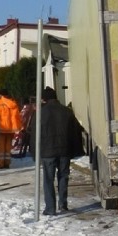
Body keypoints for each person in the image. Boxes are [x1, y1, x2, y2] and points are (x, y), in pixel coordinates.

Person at [36, 86, 78, 216]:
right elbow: (75, 132)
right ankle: (63, 204)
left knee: (48, 179)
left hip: (47, 152)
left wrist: (35, 152)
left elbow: (34, 134)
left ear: (44, 99)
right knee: (63, 177)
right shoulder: (67, 111)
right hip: (64, 150)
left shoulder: (40, 113)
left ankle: (50, 208)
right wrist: (75, 150)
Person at [0, 88, 22, 169]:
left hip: (1, 128)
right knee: (8, 147)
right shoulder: (13, 103)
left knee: (0, 147)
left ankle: (0, 163)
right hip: (11, 129)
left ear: (0, 95)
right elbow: (17, 117)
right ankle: (7, 163)